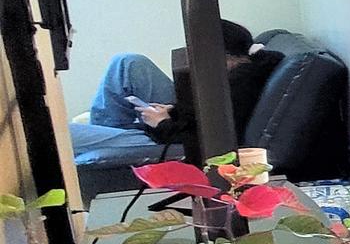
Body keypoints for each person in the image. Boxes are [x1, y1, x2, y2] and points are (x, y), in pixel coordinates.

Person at [70, 21, 278, 168]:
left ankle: (111, 138)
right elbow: (201, 114)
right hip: (175, 125)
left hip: (170, 139)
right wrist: (173, 110)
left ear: (221, 55)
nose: (193, 62)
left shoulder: (242, 86)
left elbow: (207, 138)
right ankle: (109, 133)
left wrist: (162, 123)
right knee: (128, 62)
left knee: (66, 134)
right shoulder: (244, 69)